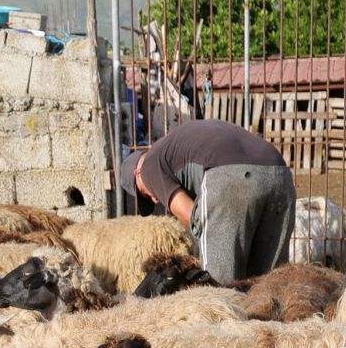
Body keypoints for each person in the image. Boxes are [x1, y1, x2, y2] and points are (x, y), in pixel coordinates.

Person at [120, 118, 296, 285]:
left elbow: (193, 218)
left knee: (217, 293)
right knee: (269, 287)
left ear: (137, 173)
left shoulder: (149, 166)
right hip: (280, 174)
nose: (155, 198)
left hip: (231, 177)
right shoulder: (176, 144)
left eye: (144, 193)